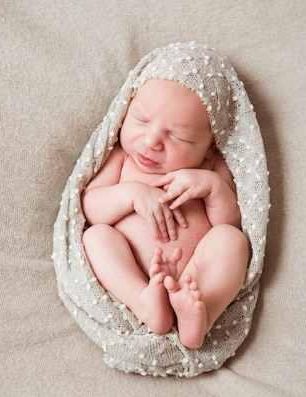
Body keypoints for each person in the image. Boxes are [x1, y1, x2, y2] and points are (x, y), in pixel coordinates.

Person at [81, 77, 249, 349]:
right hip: (134, 269)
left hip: (193, 277)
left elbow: (229, 223)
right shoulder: (122, 158)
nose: (151, 141)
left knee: (231, 240)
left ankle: (200, 312)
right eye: (141, 120)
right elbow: (90, 209)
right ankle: (144, 302)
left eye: (177, 136)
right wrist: (131, 194)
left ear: (210, 147)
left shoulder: (210, 168)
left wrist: (214, 187)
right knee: (96, 237)